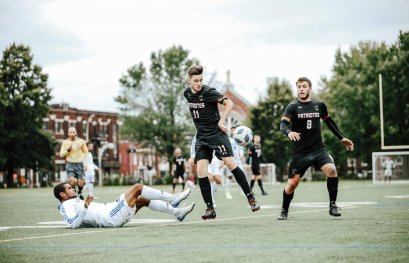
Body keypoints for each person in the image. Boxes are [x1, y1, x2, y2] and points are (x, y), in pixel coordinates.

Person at [183, 65, 260, 220]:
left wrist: (222, 121)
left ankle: (251, 198)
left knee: (231, 164)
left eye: (201, 80)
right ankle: (210, 208)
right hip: (202, 137)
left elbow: (229, 103)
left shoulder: (209, 92)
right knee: (201, 170)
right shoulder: (187, 94)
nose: (199, 83)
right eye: (196, 80)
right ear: (189, 80)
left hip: (217, 134)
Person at [278, 76, 354, 220]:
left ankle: (333, 205)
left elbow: (329, 122)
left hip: (318, 150)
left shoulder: (319, 105)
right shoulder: (292, 107)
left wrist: (341, 137)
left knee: (332, 170)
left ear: (310, 88)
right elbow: (283, 125)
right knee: (292, 185)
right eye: (299, 87)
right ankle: (284, 210)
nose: (301, 89)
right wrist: (289, 132)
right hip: (299, 153)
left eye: (304, 86)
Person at [53, 182, 195, 228]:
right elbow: (72, 224)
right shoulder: (66, 206)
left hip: (110, 212)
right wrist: (85, 207)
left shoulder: (71, 202)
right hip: (109, 216)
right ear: (62, 195)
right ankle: (174, 198)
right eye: (69, 188)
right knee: (138, 187)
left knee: (142, 199)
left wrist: (84, 207)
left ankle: (178, 213)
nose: (72, 188)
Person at [189, 134, 223, 207]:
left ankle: (211, 193)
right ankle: (212, 201)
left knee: (218, 181)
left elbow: (221, 144)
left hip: (215, 159)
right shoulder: (200, 130)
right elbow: (193, 144)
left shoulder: (215, 130)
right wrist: (192, 157)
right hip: (205, 157)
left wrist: (222, 158)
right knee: (209, 178)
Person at [60, 127, 89, 200]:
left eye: (73, 132)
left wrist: (85, 163)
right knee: (72, 182)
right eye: (70, 132)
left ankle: (80, 192)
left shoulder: (81, 141)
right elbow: (61, 154)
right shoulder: (65, 142)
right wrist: (68, 150)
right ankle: (74, 194)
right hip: (70, 164)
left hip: (79, 164)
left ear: (76, 133)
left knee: (80, 184)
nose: (72, 134)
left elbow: (86, 153)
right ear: (68, 133)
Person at [226, 126, 246, 199]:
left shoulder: (239, 140)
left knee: (241, 176)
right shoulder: (228, 140)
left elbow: (241, 150)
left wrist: (242, 156)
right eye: (232, 131)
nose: (233, 132)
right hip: (231, 161)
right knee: (230, 177)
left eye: (234, 130)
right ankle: (227, 192)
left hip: (238, 161)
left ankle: (243, 191)